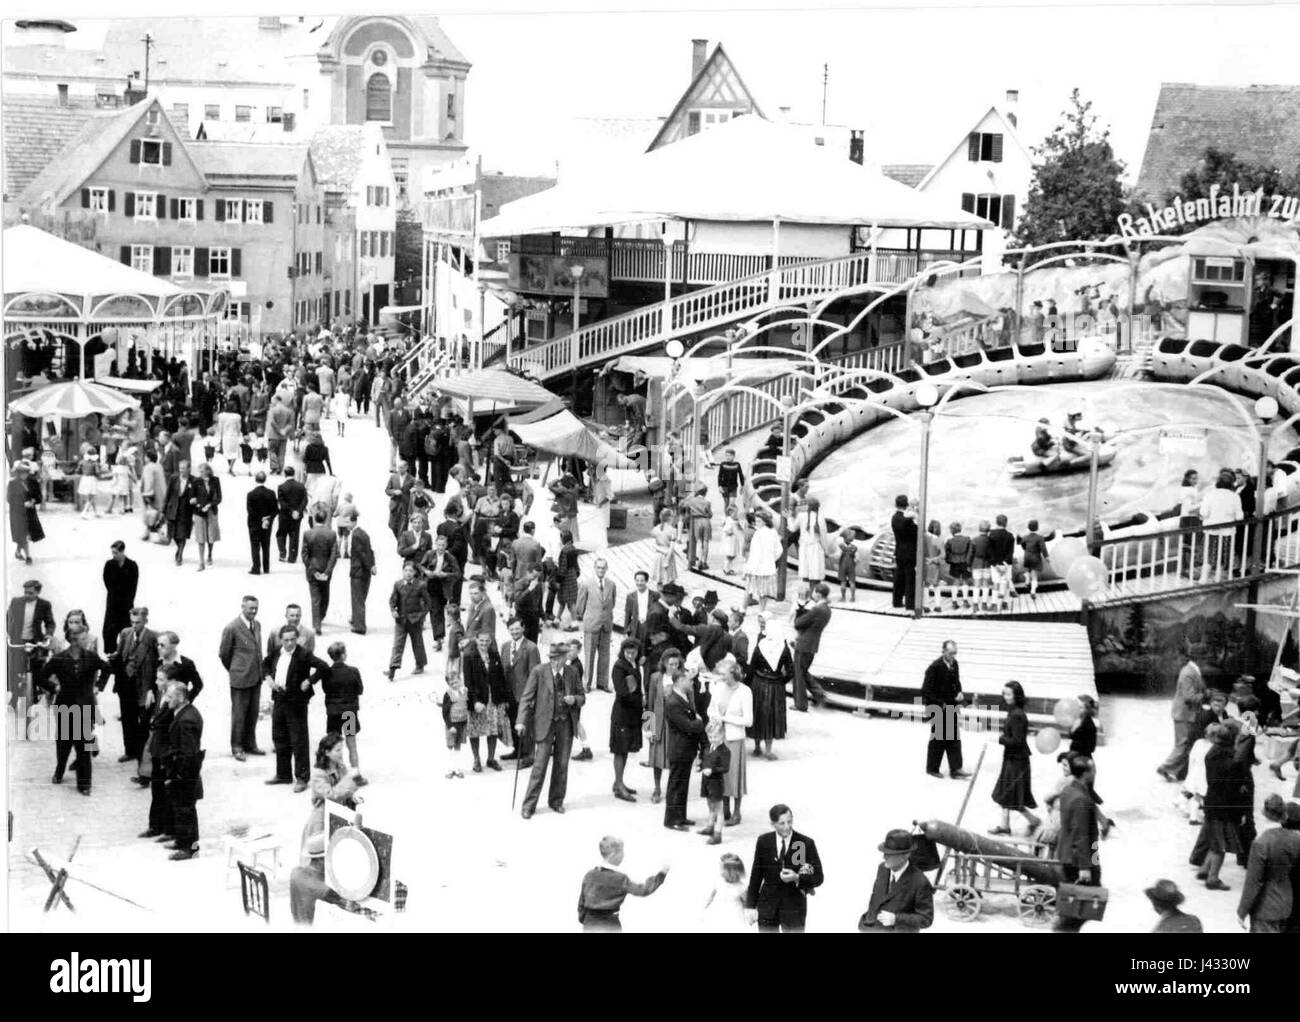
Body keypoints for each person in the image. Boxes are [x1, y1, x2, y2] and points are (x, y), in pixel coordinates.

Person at [289, 733, 360, 924]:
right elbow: (332, 794)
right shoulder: (318, 773)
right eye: (337, 750)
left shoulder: (340, 766)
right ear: (327, 752)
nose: (341, 753)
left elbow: (347, 791)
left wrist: (352, 796)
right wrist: (349, 782)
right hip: (321, 819)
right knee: (316, 857)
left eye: (341, 749)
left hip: (338, 815)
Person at [36, 619, 109, 795]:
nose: (87, 641)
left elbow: (107, 668)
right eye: (84, 639)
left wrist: (98, 685)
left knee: (84, 747)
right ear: (74, 640)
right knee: (63, 744)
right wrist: (54, 687)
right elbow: (40, 677)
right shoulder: (59, 659)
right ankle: (60, 769)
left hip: (84, 707)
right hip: (64, 707)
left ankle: (84, 784)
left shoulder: (91, 657)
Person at [516, 641, 585, 818]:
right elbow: (526, 697)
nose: (554, 662)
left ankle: (556, 801)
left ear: (565, 658)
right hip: (545, 724)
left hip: (565, 724)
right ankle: (528, 805)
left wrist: (574, 700)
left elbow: (582, 697)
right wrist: (521, 721)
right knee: (539, 766)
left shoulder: (573, 672)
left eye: (558, 658)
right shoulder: (539, 671)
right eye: (552, 658)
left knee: (562, 764)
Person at [262, 625, 330, 792]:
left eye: (293, 639)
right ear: (281, 640)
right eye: (286, 640)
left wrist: (309, 681)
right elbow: (265, 663)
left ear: (297, 638)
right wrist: (268, 678)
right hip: (279, 698)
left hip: (297, 701)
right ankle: (283, 774)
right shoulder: (278, 651)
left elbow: (324, 667)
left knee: (298, 740)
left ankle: (302, 777)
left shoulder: (303, 654)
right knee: (279, 736)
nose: (290, 643)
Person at [744, 804, 825, 932]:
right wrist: (750, 905)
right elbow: (756, 875)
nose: (787, 827)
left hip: (794, 907)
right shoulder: (764, 842)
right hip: (768, 906)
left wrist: (797, 878)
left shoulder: (805, 843)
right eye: (782, 823)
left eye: (789, 821)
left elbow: (818, 877)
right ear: (773, 824)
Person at [577, 836, 669, 932]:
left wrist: (585, 919)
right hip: (610, 923)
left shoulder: (590, 875)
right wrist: (661, 874)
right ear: (613, 855)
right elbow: (643, 890)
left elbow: (581, 902)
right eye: (621, 852)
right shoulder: (620, 878)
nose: (623, 855)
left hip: (590, 922)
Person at [1237, 794, 1300, 931]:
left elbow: (1253, 881)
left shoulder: (1261, 843)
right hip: (1286, 902)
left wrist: (1242, 911)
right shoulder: (1295, 839)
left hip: (1265, 906)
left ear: (1264, 813)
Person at [107, 606, 158, 766]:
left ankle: (142, 752)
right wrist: (113, 658)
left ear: (145, 621)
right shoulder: (125, 633)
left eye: (138, 622)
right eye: (132, 622)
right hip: (126, 682)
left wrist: (152, 687)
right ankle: (130, 751)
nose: (134, 625)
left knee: (143, 719)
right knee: (127, 717)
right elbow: (121, 654)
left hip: (144, 682)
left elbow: (157, 663)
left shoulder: (153, 638)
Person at [1055, 754, 1101, 931]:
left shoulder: (1069, 790)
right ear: (1086, 773)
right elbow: (1081, 835)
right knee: (1082, 903)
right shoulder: (1081, 798)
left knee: (1079, 904)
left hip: (1071, 854)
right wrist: (1085, 867)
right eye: (1093, 769)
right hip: (1080, 859)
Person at [857, 829, 935, 932]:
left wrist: (896, 919)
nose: (884, 857)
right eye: (885, 852)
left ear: (905, 856)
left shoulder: (920, 882)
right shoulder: (883, 868)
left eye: (890, 854)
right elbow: (876, 896)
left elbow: (926, 919)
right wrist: (869, 920)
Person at [990, 681, 1042, 835]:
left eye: (1008, 694)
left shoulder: (1017, 715)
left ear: (1016, 696)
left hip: (1017, 760)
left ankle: (1034, 821)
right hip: (1012, 758)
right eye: (1004, 693)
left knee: (1011, 794)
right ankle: (1005, 825)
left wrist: (999, 739)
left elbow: (1017, 741)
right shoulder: (1013, 711)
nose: (1005, 697)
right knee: (1007, 792)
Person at [219, 596, 265, 761]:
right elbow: (224, 653)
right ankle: (237, 746)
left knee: (253, 713)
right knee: (239, 714)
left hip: (256, 676)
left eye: (255, 608)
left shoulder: (257, 625)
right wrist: (235, 670)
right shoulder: (232, 627)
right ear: (242, 607)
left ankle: (250, 744)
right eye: (250, 608)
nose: (253, 611)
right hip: (240, 678)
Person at [162, 680, 204, 860]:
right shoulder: (184, 713)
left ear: (180, 698)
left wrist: (179, 774)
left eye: (169, 697)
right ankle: (181, 841)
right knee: (181, 808)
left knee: (186, 809)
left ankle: (190, 848)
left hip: (185, 773)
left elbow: (189, 752)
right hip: (182, 771)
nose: (166, 700)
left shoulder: (187, 719)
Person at [464, 631, 512, 773]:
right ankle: (476, 759)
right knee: (475, 730)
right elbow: (468, 682)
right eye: (481, 641)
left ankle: (491, 758)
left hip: (493, 698)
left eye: (487, 641)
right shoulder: (469, 657)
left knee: (493, 729)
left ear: (490, 641)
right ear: (476, 640)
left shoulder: (494, 655)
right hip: (479, 700)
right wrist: (474, 702)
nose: (484, 644)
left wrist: (504, 699)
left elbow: (501, 678)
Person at [664, 670, 706, 831]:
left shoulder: (682, 697)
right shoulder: (674, 702)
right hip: (679, 748)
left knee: (682, 784)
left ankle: (680, 816)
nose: (692, 682)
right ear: (680, 681)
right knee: (676, 784)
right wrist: (699, 722)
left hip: (685, 749)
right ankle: (672, 819)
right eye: (689, 680)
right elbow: (686, 725)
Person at [922, 640, 968, 779]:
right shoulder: (934, 667)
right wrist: (939, 703)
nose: (953, 657)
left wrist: (959, 692)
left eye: (955, 654)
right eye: (951, 654)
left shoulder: (955, 664)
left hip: (951, 705)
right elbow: (926, 691)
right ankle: (932, 768)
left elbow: (957, 682)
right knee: (939, 738)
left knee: (954, 737)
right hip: (938, 707)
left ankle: (956, 769)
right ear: (943, 651)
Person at [1158, 649, 1206, 782]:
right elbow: (1189, 696)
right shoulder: (1188, 672)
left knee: (1186, 743)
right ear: (1199, 657)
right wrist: (1206, 696)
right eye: (1205, 656)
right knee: (1182, 743)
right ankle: (1166, 767)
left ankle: (1176, 771)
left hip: (1188, 713)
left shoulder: (1193, 670)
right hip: (1184, 713)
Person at [322, 641, 365, 784]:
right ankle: (356, 774)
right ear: (343, 655)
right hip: (349, 712)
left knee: (334, 745)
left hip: (333, 712)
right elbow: (360, 690)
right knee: (351, 744)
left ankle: (336, 776)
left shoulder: (327, 672)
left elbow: (326, 689)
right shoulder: (353, 671)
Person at [501, 618, 540, 769]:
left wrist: (532, 696)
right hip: (509, 693)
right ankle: (517, 750)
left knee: (526, 725)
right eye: (512, 629)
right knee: (513, 723)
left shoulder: (531, 648)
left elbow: (535, 674)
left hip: (524, 694)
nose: (515, 632)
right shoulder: (505, 646)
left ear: (523, 628)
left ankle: (528, 755)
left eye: (517, 629)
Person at [609, 638, 643, 802]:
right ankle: (619, 785)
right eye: (628, 652)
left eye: (634, 652)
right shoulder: (619, 667)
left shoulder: (634, 665)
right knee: (620, 751)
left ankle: (618, 782)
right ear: (623, 651)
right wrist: (639, 700)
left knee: (626, 749)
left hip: (632, 715)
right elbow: (622, 692)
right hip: (622, 715)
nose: (630, 655)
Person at [575, 558, 616, 693]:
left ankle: (602, 683)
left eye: (603, 568)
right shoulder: (586, 584)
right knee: (589, 655)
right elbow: (580, 605)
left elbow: (612, 603)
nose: (601, 570)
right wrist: (585, 617)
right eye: (598, 567)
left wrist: (606, 618)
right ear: (594, 568)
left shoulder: (611, 584)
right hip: (591, 624)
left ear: (606, 569)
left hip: (606, 624)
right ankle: (586, 684)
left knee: (605, 656)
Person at [386, 561, 431, 679]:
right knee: (398, 644)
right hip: (401, 620)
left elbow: (428, 603)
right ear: (402, 571)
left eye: (411, 571)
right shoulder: (398, 584)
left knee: (417, 643)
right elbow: (392, 600)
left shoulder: (420, 585)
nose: (408, 573)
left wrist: (421, 616)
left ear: (415, 572)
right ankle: (392, 668)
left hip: (415, 620)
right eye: (406, 570)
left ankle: (420, 664)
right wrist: (393, 610)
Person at [791, 582, 831, 711]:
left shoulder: (817, 609)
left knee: (798, 674)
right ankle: (818, 693)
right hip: (813, 644)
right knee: (802, 671)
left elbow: (798, 623)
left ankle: (801, 704)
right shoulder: (827, 610)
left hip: (803, 644)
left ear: (818, 595)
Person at [301, 509, 339, 634]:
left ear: (314, 519)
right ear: (326, 519)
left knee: (315, 597)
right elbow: (334, 555)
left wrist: (313, 571)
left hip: (313, 570)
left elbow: (305, 555)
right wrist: (327, 572)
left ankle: (317, 624)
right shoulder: (332, 534)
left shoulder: (308, 534)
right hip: (326, 569)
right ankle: (321, 616)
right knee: (325, 595)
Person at [101, 540, 139, 654]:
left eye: (116, 553)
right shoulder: (109, 565)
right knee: (108, 632)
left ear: (122, 551)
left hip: (126, 604)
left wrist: (127, 600)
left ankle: (125, 654)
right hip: (112, 603)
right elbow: (106, 580)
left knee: (126, 632)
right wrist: (114, 594)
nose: (114, 555)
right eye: (112, 553)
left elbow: (133, 585)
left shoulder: (132, 565)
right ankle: (110, 654)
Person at [698, 719, 731, 844]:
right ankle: (710, 826)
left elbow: (725, 768)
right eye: (710, 736)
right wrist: (700, 766)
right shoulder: (708, 747)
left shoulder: (725, 751)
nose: (713, 739)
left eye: (716, 736)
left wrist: (712, 770)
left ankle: (718, 834)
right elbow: (705, 760)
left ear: (722, 735)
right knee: (710, 805)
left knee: (719, 809)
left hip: (716, 782)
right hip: (706, 781)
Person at [701, 853, 750, 931]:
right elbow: (712, 895)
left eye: (723, 871)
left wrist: (748, 913)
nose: (721, 873)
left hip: (734, 913)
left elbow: (747, 902)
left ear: (733, 873)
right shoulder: (719, 881)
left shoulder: (741, 887)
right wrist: (705, 907)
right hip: (717, 909)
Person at [745, 513, 782, 614]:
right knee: (764, 592)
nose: (757, 523)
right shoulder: (773, 532)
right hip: (768, 567)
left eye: (759, 521)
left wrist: (750, 566)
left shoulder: (758, 533)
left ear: (765, 521)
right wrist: (771, 559)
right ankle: (761, 610)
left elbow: (754, 552)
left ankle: (743, 609)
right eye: (756, 521)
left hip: (756, 566)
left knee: (749, 589)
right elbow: (779, 550)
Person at [164, 461, 198, 567]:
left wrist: (196, 501)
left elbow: (198, 495)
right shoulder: (173, 478)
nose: (181, 470)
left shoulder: (194, 480)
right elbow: (168, 494)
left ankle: (180, 555)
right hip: (173, 509)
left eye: (183, 468)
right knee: (173, 534)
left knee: (182, 534)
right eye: (180, 468)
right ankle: (179, 548)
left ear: (189, 469)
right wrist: (163, 510)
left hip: (186, 510)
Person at [8, 462, 43, 564]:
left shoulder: (32, 482)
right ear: (18, 473)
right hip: (17, 513)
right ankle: (28, 556)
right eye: (22, 472)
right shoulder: (12, 484)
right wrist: (23, 504)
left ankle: (18, 552)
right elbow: (9, 499)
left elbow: (38, 496)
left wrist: (33, 501)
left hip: (30, 513)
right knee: (22, 534)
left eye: (26, 472)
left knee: (25, 534)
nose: (24, 475)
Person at [348, 515, 377, 635]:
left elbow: (361, 553)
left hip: (358, 571)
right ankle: (355, 619)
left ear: (354, 521)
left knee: (357, 598)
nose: (346, 525)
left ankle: (359, 626)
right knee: (361, 597)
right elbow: (370, 551)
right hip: (365, 572)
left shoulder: (356, 535)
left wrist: (370, 566)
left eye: (348, 522)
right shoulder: (363, 533)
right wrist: (372, 565)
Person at [191, 462, 222, 570]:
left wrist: (210, 505)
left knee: (211, 536)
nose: (200, 474)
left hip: (211, 511)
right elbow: (192, 498)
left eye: (202, 471)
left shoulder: (215, 480)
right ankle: (201, 562)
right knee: (200, 537)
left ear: (208, 471)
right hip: (199, 512)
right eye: (199, 472)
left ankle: (209, 553)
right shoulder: (196, 481)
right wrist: (198, 504)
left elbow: (219, 498)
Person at [246, 471, 278, 575]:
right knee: (266, 545)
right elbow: (276, 510)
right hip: (267, 524)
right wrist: (267, 519)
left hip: (254, 524)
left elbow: (250, 511)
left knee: (255, 545)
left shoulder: (251, 494)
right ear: (265, 479)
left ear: (256, 479)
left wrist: (260, 519)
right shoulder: (271, 493)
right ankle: (266, 567)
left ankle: (256, 567)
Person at [442, 664, 470, 778]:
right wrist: (450, 726)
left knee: (458, 746)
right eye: (451, 683)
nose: (455, 684)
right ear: (448, 684)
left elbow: (468, 704)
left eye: (456, 682)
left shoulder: (464, 692)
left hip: (462, 723)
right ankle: (450, 769)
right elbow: (445, 712)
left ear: (460, 680)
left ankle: (457, 768)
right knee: (450, 746)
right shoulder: (448, 695)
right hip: (452, 725)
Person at [891, 494, 918, 610]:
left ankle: (896, 601)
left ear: (895, 504)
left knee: (898, 577)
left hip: (899, 551)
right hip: (910, 552)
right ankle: (910, 603)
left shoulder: (894, 518)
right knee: (910, 578)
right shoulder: (908, 521)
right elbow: (916, 533)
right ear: (906, 505)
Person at [276, 466, 309, 563]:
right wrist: (298, 511)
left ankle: (282, 553)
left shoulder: (281, 487)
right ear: (293, 474)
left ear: (284, 474)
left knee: (281, 533)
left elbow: (282, 503)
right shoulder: (301, 486)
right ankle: (292, 557)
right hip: (297, 515)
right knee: (294, 534)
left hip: (285, 515)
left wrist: (291, 511)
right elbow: (305, 500)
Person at [987, 514, 1015, 612]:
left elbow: (990, 552)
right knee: (1006, 583)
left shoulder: (991, 535)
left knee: (996, 583)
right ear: (1006, 523)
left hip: (995, 565)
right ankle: (1005, 603)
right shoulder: (1010, 536)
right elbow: (1011, 552)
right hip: (1007, 565)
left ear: (996, 522)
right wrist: (1005, 565)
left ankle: (994, 604)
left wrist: (996, 565)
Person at [944, 521, 973, 610]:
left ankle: (954, 602)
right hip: (965, 562)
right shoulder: (967, 539)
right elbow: (971, 552)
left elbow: (947, 553)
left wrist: (950, 561)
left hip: (954, 563)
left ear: (952, 530)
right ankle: (965, 601)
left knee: (955, 581)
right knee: (965, 581)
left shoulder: (949, 541)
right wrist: (969, 563)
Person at [1018, 520, 1049, 600]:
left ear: (1028, 528)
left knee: (1029, 569)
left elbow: (1022, 544)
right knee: (1034, 575)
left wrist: (1026, 549)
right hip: (1035, 557)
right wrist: (1046, 557)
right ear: (1037, 528)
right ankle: (1033, 591)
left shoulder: (1025, 537)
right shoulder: (1040, 538)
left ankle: (1027, 580)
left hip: (1027, 556)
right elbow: (1043, 549)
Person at [650, 508, 680, 588]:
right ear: (670, 518)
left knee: (659, 579)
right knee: (670, 579)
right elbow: (672, 547)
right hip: (668, 556)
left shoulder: (655, 529)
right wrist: (667, 557)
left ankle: (659, 595)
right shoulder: (673, 530)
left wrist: (661, 550)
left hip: (658, 556)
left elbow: (653, 544)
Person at [216, 400, 243, 476]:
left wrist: (220, 437)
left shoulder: (221, 416)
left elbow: (220, 427)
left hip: (225, 436)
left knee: (227, 453)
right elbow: (238, 427)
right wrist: (238, 434)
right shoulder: (237, 417)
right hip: (234, 436)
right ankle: (230, 468)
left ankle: (230, 468)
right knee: (235, 453)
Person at [716, 449, 745, 517]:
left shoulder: (737, 464)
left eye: (730, 456)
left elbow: (741, 475)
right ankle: (727, 517)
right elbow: (720, 476)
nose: (728, 457)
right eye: (726, 455)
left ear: (733, 456)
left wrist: (742, 485)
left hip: (733, 486)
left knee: (731, 503)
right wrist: (719, 486)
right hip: (724, 486)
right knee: (726, 503)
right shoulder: (723, 464)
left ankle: (732, 515)